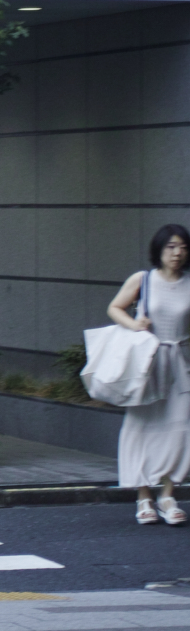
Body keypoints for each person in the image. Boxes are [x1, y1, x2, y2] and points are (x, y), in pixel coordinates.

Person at [109, 223, 190, 525]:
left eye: (183, 247)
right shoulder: (143, 280)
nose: (178, 252)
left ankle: (168, 495)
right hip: (148, 364)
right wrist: (135, 324)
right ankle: (144, 497)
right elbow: (115, 308)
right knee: (142, 428)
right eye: (171, 246)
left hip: (180, 366)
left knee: (181, 429)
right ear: (159, 249)